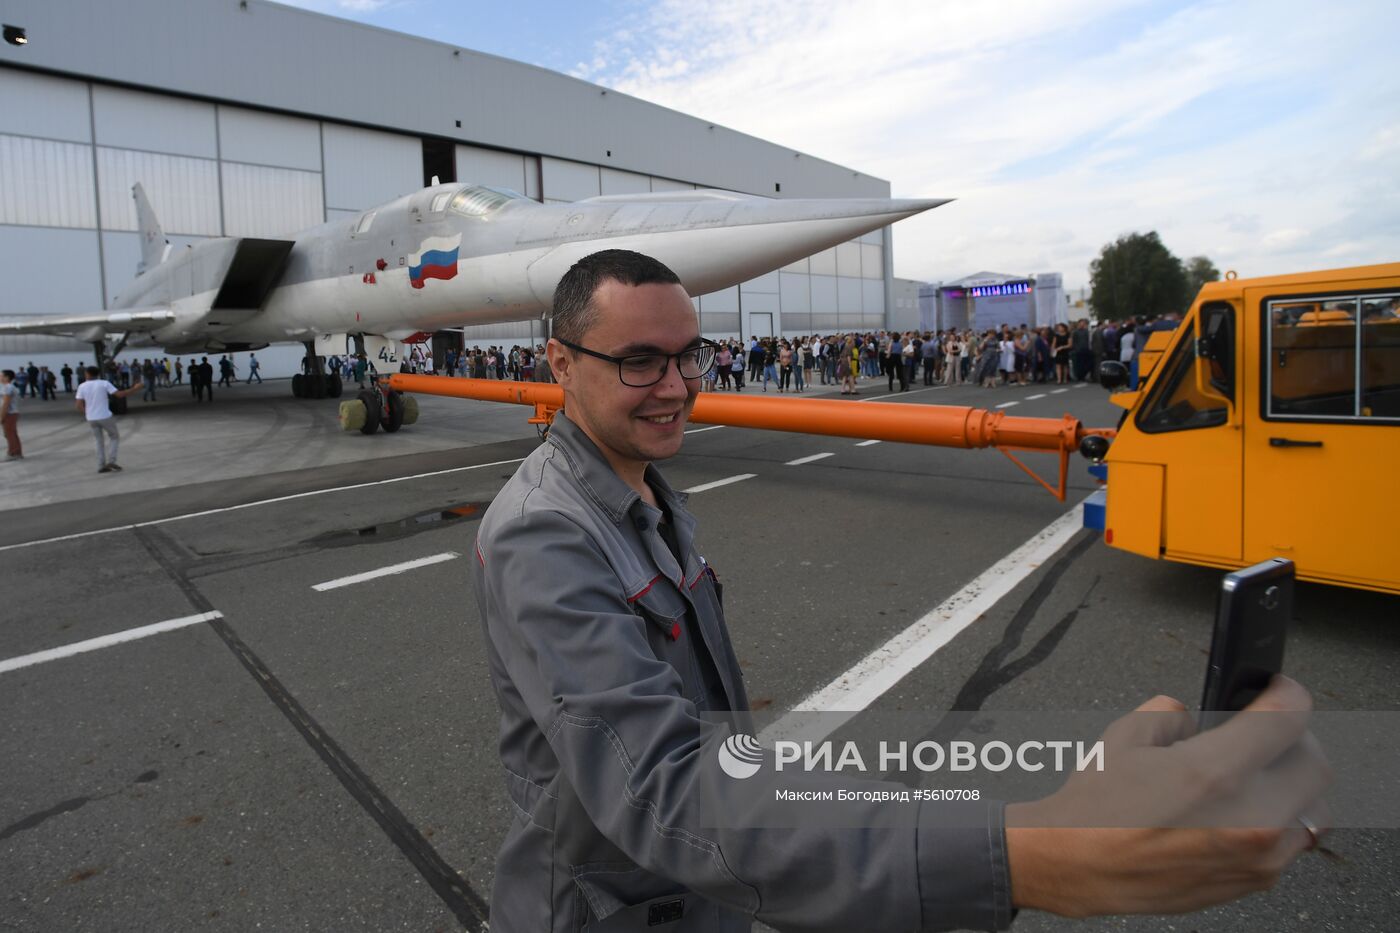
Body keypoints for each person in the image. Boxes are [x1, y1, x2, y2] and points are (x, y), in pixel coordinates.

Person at [474, 249, 1329, 932]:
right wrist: (1031, 853)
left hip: (703, 888)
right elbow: (662, 787)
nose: (675, 385)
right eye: (638, 361)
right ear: (560, 362)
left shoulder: (646, 491)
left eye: (686, 354)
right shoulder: (542, 531)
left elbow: (704, 751)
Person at [75, 366, 143, 473]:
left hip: (91, 418)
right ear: (97, 374)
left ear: (87, 374)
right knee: (114, 437)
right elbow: (120, 395)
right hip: (104, 416)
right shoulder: (104, 383)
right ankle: (112, 460)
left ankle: (101, 465)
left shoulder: (82, 386)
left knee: (98, 441)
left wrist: (88, 413)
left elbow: (79, 405)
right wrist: (135, 389)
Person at [1, 369, 22, 459]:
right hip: (11, 413)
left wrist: (1, 416)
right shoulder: (7, 387)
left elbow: (6, 403)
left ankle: (13, 453)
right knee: (11, 433)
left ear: (7, 377)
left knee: (9, 434)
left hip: (9, 413)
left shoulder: (8, 387)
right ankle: (17, 452)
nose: (0, 377)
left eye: (1, 375)